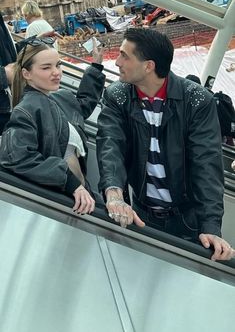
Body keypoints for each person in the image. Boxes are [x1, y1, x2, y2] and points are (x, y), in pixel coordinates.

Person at [96, 27, 235, 261]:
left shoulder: (196, 100)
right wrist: (114, 192)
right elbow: (111, 144)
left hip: (186, 218)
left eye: (124, 55)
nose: (117, 62)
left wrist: (210, 226)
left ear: (148, 66)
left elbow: (206, 165)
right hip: (141, 213)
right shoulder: (117, 95)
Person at [0, 37, 105, 215]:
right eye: (46, 67)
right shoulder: (26, 110)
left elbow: (82, 106)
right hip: (64, 198)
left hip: (80, 194)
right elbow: (16, 157)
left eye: (58, 65)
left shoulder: (60, 97)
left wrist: (95, 66)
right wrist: (69, 181)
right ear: (26, 74)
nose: (56, 72)